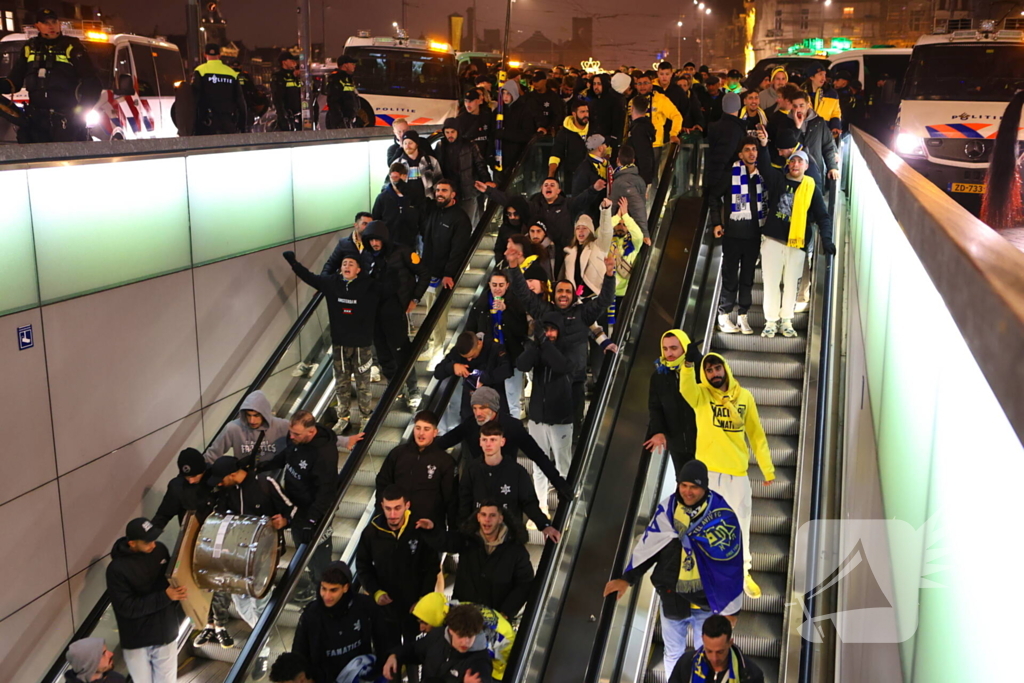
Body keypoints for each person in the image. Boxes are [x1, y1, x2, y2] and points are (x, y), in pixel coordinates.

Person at [603, 460, 744, 676]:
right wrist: (627, 578)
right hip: (672, 599)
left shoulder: (722, 517)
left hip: (706, 604)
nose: (687, 491)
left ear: (704, 487)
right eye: (683, 485)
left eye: (694, 487)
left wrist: (731, 610)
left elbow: (730, 565)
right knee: (673, 654)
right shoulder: (667, 512)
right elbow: (650, 546)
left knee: (706, 655)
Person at [678, 345, 773, 598]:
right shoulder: (701, 395)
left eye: (717, 368)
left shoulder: (745, 397)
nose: (713, 373)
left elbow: (756, 434)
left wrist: (767, 469)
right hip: (707, 476)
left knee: (740, 525)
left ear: (725, 369)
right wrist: (688, 367)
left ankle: (742, 573)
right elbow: (685, 390)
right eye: (708, 370)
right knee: (703, 525)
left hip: (736, 473)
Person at [506, 252, 617, 431]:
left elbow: (604, 300)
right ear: (554, 294)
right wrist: (513, 268)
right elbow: (523, 294)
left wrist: (610, 274)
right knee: (543, 428)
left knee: (574, 427)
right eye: (560, 291)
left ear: (573, 295)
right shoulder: (544, 311)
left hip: (575, 381)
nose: (563, 295)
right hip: (547, 381)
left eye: (567, 291)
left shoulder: (584, 313)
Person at [283, 248, 379, 434]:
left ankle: (366, 417)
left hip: (362, 344)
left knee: (363, 383)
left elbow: (389, 289)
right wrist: (293, 263)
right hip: (340, 343)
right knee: (341, 382)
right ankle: (343, 418)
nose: (346, 266)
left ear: (359, 269)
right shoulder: (332, 282)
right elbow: (310, 277)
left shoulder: (369, 285)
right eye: (344, 264)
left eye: (351, 264)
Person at [755, 128, 835, 338]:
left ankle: (787, 320)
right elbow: (763, 167)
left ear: (806, 166)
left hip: (797, 244)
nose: (796, 164)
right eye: (793, 161)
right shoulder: (778, 180)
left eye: (800, 161)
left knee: (792, 283)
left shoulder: (811, 188)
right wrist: (763, 146)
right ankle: (771, 321)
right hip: (773, 240)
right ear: (788, 164)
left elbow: (823, 216)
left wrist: (826, 240)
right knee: (771, 282)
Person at [150, 448, 230, 648]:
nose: (192, 480)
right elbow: (163, 514)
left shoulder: (215, 479)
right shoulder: (177, 486)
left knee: (219, 582)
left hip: (219, 539)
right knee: (199, 583)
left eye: (195, 476)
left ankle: (220, 626)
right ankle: (207, 625)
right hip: (192, 543)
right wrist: (148, 538)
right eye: (187, 477)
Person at [434, 386, 569, 501]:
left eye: (482, 408)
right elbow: (444, 442)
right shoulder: (470, 425)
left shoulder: (512, 427)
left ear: (493, 408)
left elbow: (537, 455)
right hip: (479, 485)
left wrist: (559, 483)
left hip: (506, 485)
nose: (477, 413)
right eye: (474, 408)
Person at [256, 411, 338, 588]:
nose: (291, 436)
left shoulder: (324, 455)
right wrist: (265, 465)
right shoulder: (294, 439)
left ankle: (322, 588)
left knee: (319, 557)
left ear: (311, 432)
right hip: (295, 507)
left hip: (315, 513)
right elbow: (288, 455)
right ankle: (313, 582)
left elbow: (327, 492)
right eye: (291, 432)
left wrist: (312, 519)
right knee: (302, 548)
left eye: (296, 434)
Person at [356, 485, 441, 649]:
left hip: (415, 608)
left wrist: (423, 599)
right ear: (382, 506)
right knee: (388, 655)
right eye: (388, 509)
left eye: (397, 508)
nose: (393, 514)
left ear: (407, 505)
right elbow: (362, 565)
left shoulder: (419, 529)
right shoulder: (371, 533)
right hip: (385, 609)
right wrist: (376, 592)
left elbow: (431, 567)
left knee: (415, 655)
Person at [415, 503, 534, 618]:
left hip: (496, 618)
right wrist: (432, 531)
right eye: (483, 515)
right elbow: (446, 541)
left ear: (500, 519)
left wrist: (506, 612)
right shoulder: (467, 540)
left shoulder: (516, 550)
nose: (487, 519)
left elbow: (524, 583)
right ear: (478, 517)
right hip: (463, 615)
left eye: (492, 515)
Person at [0, 8, 100, 143]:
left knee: (67, 161)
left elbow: (92, 82)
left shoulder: (72, 47)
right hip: (36, 121)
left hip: (66, 120)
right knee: (35, 161)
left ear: (59, 24)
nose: (51, 26)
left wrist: (79, 113)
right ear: (37, 26)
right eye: (45, 23)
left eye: (54, 22)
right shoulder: (30, 48)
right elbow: (14, 82)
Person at [106, 518, 185, 683]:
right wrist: (165, 597)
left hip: (165, 633)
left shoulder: (160, 550)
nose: (153, 544)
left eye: (154, 539)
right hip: (137, 640)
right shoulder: (117, 569)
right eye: (148, 541)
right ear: (132, 543)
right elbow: (127, 607)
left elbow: (171, 580)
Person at [516, 313, 580, 515]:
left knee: (564, 466)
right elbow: (522, 365)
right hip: (537, 418)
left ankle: (566, 508)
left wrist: (544, 342)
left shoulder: (569, 348)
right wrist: (536, 344)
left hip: (560, 419)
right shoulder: (538, 348)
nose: (549, 334)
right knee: (538, 465)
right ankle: (541, 507)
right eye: (546, 330)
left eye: (552, 330)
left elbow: (563, 366)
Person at [460, 421, 561, 541]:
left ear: (502, 442)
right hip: (477, 536)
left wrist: (544, 525)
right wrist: (463, 531)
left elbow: (529, 502)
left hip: (509, 536)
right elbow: (463, 502)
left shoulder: (516, 471)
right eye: (484, 440)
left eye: (493, 440)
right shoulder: (472, 470)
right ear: (480, 442)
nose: (488, 444)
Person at [292, 561, 390, 683]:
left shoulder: (364, 605)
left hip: (359, 675)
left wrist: (378, 670)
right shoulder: (311, 614)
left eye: (333, 590)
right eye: (324, 589)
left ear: (345, 588)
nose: (327, 596)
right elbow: (298, 653)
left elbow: (382, 639)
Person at [711, 136, 766, 336]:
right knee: (730, 276)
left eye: (754, 149)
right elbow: (713, 196)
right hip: (732, 235)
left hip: (754, 236)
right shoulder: (730, 174)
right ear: (740, 154)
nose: (751, 153)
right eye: (747, 150)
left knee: (748, 278)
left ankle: (743, 315)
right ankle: (724, 315)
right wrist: (716, 222)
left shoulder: (762, 176)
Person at [375, 410, 458, 529]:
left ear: (435, 432)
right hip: (397, 525)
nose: (421, 433)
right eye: (418, 428)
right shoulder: (398, 454)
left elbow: (451, 499)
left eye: (426, 429)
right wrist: (381, 513)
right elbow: (383, 483)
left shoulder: (445, 461)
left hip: (428, 527)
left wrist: (451, 530)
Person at [420, 179, 474, 359]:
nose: (439, 193)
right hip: (430, 274)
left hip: (445, 276)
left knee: (439, 313)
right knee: (429, 311)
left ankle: (438, 349)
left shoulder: (460, 218)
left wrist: (449, 273)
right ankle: (431, 344)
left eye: (444, 190)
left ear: (453, 194)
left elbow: (458, 249)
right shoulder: (434, 212)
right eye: (437, 190)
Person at [409, 593, 514, 681]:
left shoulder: (467, 630)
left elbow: (479, 665)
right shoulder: (457, 610)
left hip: (501, 665)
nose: (421, 628)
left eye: (425, 623)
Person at [467, 272, 530, 418]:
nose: (497, 288)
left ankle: (514, 428)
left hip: (511, 355)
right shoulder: (480, 304)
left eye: (501, 285)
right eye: (494, 285)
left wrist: (506, 311)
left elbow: (521, 331)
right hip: (488, 358)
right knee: (486, 397)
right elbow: (471, 329)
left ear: (507, 285)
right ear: (489, 285)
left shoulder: (515, 303)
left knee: (512, 399)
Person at [383, 603, 494, 682]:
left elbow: (482, 676)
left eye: (470, 636)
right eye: (460, 635)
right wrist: (395, 655)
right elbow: (415, 649)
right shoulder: (437, 635)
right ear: (450, 630)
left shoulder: (480, 659)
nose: (465, 641)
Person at [643, 330, 698, 477]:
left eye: (674, 348)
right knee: (685, 485)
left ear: (685, 348)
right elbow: (655, 407)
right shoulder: (659, 376)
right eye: (665, 349)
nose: (669, 353)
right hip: (677, 444)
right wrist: (659, 431)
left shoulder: (699, 370)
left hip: (705, 442)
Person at [668, 615, 764, 683]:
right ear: (702, 640)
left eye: (720, 652)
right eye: (709, 651)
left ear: (730, 643)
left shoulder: (751, 675)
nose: (714, 658)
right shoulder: (686, 663)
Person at [204, 389, 291, 465]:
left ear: (264, 414)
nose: (251, 421)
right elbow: (213, 455)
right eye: (248, 415)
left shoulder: (282, 426)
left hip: (272, 477)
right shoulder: (233, 428)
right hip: (244, 477)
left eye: (256, 416)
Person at [436, 118, 492, 225]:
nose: (450, 135)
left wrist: (487, 181)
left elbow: (480, 165)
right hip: (450, 191)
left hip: (468, 190)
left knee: (468, 222)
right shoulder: (441, 146)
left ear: (458, 131)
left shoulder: (469, 145)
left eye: (452, 132)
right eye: (447, 132)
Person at [189, 42, 248, 136]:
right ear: (219, 55)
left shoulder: (200, 71)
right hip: (228, 121)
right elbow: (240, 101)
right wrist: (243, 126)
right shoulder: (231, 73)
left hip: (207, 123)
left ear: (205, 55)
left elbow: (194, 99)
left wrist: (192, 125)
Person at [563, 201, 613, 303]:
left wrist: (605, 211)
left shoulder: (598, 246)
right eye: (578, 228)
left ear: (590, 231)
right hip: (577, 301)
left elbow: (606, 231)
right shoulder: (570, 253)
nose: (580, 231)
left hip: (596, 298)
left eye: (584, 228)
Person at [790, 90, 840, 184]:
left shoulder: (819, 122)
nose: (798, 109)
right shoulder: (787, 122)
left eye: (801, 105)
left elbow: (828, 146)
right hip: (794, 172)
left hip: (815, 171)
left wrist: (832, 167)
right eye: (795, 106)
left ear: (808, 105)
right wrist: (797, 127)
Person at [703, 92, 747, 195]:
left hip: (714, 174)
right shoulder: (734, 129)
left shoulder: (715, 126)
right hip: (729, 177)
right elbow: (723, 155)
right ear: (738, 106)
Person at [493, 79, 540, 173]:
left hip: (518, 156)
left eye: (508, 93)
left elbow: (527, 135)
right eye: (504, 93)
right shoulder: (499, 110)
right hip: (500, 156)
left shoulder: (524, 110)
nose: (505, 97)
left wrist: (504, 133)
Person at [609, 195, 644, 307]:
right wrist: (616, 216)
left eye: (624, 225)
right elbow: (601, 231)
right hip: (605, 290)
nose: (621, 227)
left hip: (624, 292)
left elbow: (639, 236)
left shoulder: (633, 243)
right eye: (619, 224)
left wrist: (625, 216)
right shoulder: (607, 241)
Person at [610, 145, 650, 242]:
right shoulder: (639, 179)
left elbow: (638, 206)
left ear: (617, 160)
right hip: (631, 230)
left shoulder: (622, 182)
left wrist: (645, 233)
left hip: (626, 234)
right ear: (633, 161)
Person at [633, 72, 683, 150]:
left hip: (655, 145)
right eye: (639, 84)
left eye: (645, 83)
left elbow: (677, 116)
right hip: (636, 144)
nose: (642, 86)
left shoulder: (660, 99)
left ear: (651, 84)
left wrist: (673, 134)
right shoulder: (633, 101)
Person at [548, 99, 590, 191]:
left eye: (587, 111)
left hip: (593, 178)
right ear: (574, 114)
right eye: (582, 112)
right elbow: (556, 154)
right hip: (572, 178)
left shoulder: (594, 129)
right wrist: (551, 176)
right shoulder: (564, 133)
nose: (586, 115)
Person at [571, 134, 611, 223]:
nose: (608, 148)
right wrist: (593, 189)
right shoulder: (584, 169)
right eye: (606, 145)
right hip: (591, 220)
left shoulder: (607, 164)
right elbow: (577, 200)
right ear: (600, 148)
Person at [586, 73, 625, 158]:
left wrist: (611, 141)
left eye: (599, 84)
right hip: (593, 143)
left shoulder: (614, 101)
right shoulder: (592, 102)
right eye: (594, 84)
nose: (596, 87)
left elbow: (617, 124)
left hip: (608, 144)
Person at [399, 130, 443, 202]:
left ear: (416, 144)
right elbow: (390, 185)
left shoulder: (431, 161)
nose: (407, 146)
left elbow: (439, 183)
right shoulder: (398, 164)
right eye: (405, 143)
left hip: (428, 204)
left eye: (410, 143)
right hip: (406, 207)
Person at [804, 63, 841, 138]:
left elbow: (836, 113)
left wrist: (835, 126)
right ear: (811, 77)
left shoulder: (831, 94)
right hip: (805, 133)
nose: (824, 78)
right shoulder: (802, 93)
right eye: (820, 74)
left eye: (824, 75)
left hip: (824, 133)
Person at [456, 88, 494, 161]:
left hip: (483, 159)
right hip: (468, 159)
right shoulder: (461, 119)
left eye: (470, 101)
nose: (468, 104)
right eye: (466, 101)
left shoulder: (487, 117)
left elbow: (491, 136)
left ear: (479, 101)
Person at [626, 97, 657, 185]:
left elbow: (643, 154)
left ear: (632, 108)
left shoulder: (638, 130)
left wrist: (644, 181)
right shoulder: (645, 126)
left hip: (637, 177)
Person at [325, 54, 359, 129]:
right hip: (341, 121)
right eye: (352, 64)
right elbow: (334, 101)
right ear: (345, 65)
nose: (354, 66)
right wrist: (340, 121)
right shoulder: (336, 79)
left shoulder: (348, 79)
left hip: (349, 120)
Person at [271, 51, 301, 131]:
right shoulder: (279, 76)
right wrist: (283, 116)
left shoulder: (296, 75)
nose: (294, 62)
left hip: (300, 114)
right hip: (287, 115)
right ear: (284, 62)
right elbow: (278, 98)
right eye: (291, 60)